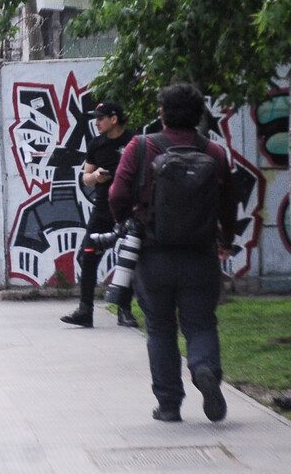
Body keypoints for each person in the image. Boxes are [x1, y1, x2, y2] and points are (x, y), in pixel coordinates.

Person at [108, 83, 238, 423]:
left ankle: (168, 404)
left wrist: (127, 222)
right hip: (200, 254)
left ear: (162, 113)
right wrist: (226, 239)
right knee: (201, 324)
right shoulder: (214, 153)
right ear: (198, 116)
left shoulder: (140, 147)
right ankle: (204, 369)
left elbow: (117, 195)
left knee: (160, 329)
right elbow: (228, 205)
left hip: (153, 255)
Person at [60, 101, 137, 328]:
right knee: (87, 255)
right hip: (103, 208)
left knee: (127, 258)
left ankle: (125, 310)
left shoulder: (134, 141)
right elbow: (86, 176)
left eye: (101, 118)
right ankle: (85, 310)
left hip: (127, 210)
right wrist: (96, 178)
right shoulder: (96, 144)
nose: (97, 122)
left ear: (114, 119)